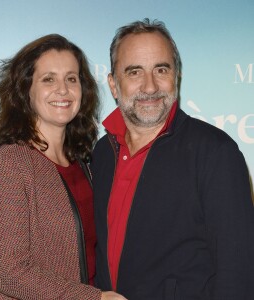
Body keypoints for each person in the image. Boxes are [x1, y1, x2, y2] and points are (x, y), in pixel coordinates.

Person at [91, 18, 254, 299]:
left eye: (161, 69)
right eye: (134, 72)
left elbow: (237, 273)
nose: (150, 86)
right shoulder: (102, 153)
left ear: (176, 76)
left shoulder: (215, 153)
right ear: (114, 85)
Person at [0, 34, 126, 300]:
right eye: (49, 79)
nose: (63, 89)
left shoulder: (88, 163)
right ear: (26, 91)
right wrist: (93, 299)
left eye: (71, 78)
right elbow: (9, 273)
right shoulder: (9, 165)